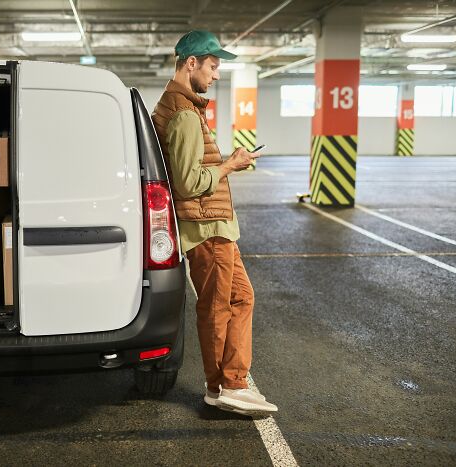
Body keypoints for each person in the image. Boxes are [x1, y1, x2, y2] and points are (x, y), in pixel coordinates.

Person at [151, 30, 277, 415]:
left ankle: (231, 382)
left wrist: (224, 166)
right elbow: (189, 183)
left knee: (240, 297)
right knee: (218, 304)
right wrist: (229, 166)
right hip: (206, 228)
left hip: (214, 226)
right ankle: (224, 385)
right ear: (192, 63)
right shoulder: (185, 114)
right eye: (213, 65)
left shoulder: (177, 106)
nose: (216, 74)